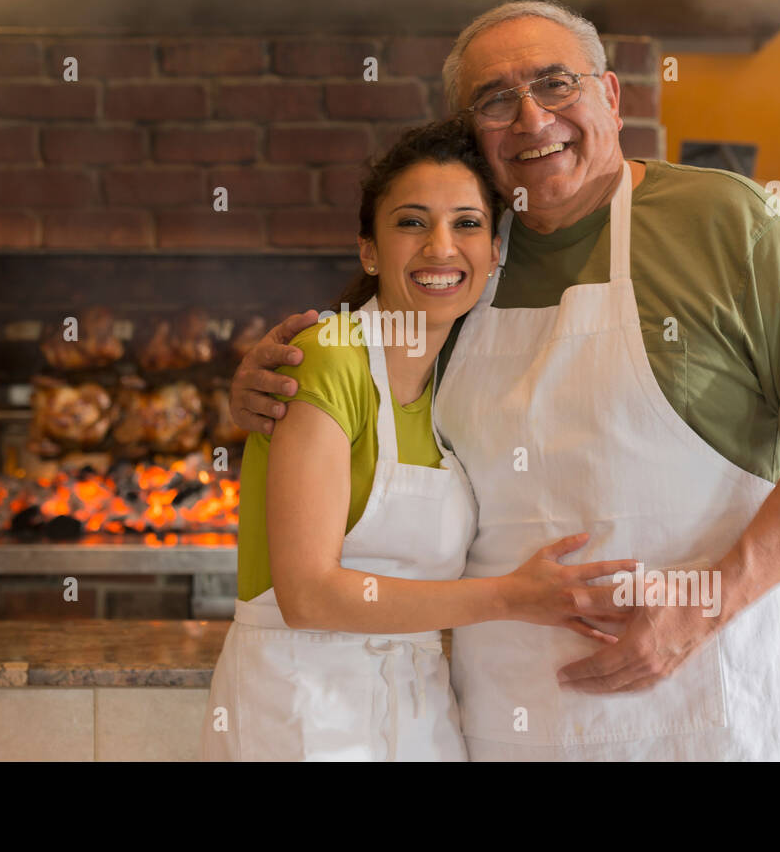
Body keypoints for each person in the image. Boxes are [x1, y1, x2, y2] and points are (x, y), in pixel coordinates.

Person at [229, 0, 780, 761]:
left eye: (555, 83)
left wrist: (703, 604)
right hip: (515, 722)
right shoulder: (467, 257)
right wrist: (265, 380)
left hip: (715, 705)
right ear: (470, 133)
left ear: (610, 96)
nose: (530, 117)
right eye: (493, 99)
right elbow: (366, 371)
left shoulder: (725, 222)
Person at [200, 119, 636, 762]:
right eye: (410, 222)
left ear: (495, 251)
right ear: (369, 251)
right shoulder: (326, 360)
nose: (440, 248)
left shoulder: (463, 382)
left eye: (466, 224)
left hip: (419, 709)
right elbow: (308, 593)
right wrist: (511, 597)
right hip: (298, 711)